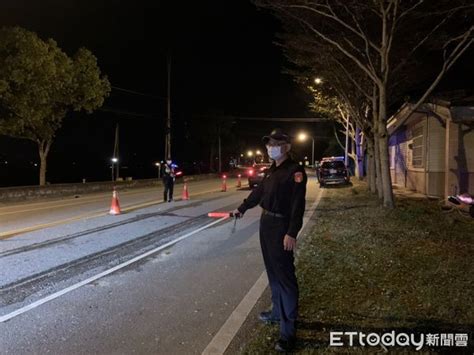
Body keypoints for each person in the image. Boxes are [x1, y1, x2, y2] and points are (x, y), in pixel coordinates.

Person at [233, 128, 307, 352]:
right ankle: (277, 312)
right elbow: (259, 194)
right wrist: (242, 208)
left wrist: (292, 232)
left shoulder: (294, 171)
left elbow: (298, 204)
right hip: (266, 224)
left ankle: (288, 332)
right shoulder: (271, 171)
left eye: (274, 144)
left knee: (285, 277)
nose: (270, 148)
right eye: (268, 144)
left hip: (282, 226)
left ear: (286, 147)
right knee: (272, 272)